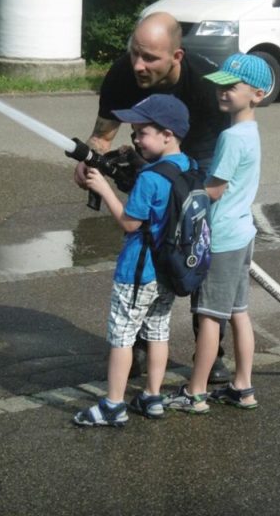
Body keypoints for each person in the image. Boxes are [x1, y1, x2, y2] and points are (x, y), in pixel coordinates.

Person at [74, 11, 231, 383]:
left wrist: (184, 200)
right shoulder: (121, 73)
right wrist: (90, 159)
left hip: (202, 154)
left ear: (177, 57)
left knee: (194, 245)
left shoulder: (210, 80)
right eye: (134, 53)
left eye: (149, 58)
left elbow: (222, 157)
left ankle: (212, 352)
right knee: (150, 242)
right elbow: (103, 134)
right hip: (152, 149)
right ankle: (143, 344)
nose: (138, 65)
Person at [73, 94, 192, 427]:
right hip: (169, 270)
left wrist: (105, 189)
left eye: (141, 132)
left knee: (122, 337)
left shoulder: (150, 179)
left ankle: (113, 404)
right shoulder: (189, 166)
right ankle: (152, 396)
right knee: (157, 332)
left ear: (167, 134)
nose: (135, 139)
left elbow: (129, 223)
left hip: (137, 272)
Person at [163, 53, 271, 414]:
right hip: (243, 233)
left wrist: (180, 189)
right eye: (220, 85)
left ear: (257, 94)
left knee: (209, 315)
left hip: (222, 237)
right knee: (239, 311)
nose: (222, 92)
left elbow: (214, 189)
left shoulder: (231, 137)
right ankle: (243, 386)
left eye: (232, 87)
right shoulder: (251, 132)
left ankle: (195, 392)